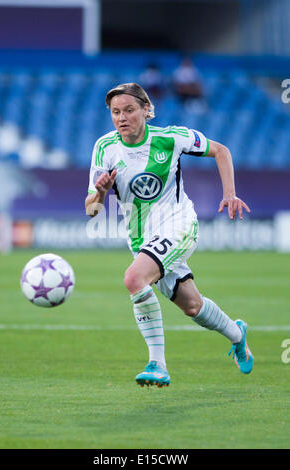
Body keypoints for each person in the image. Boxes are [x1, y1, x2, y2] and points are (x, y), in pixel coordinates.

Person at [85, 82, 253, 388]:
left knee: (134, 279)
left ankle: (157, 365)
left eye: (130, 110)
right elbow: (91, 211)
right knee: (193, 307)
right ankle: (238, 334)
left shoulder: (171, 138)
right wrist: (99, 194)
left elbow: (221, 151)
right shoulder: (104, 148)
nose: (122, 118)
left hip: (178, 224)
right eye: (115, 112)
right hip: (141, 239)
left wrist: (230, 193)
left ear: (147, 110)